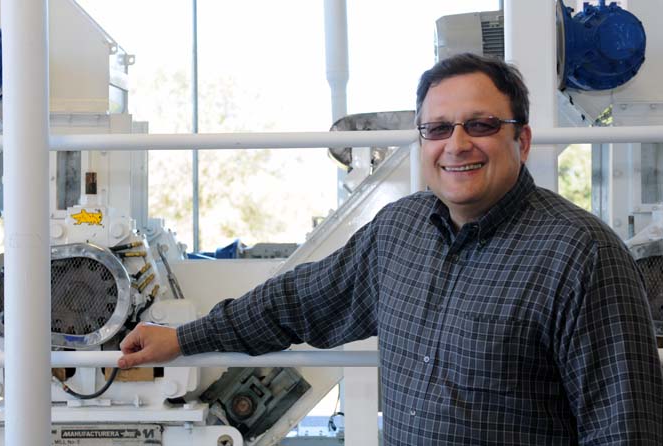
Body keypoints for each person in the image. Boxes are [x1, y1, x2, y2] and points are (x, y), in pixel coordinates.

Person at [119, 53, 663, 444]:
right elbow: (297, 302)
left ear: (520, 140)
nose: (457, 143)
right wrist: (184, 339)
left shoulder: (582, 255)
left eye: (480, 124)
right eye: (438, 128)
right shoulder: (399, 231)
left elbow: (626, 429)